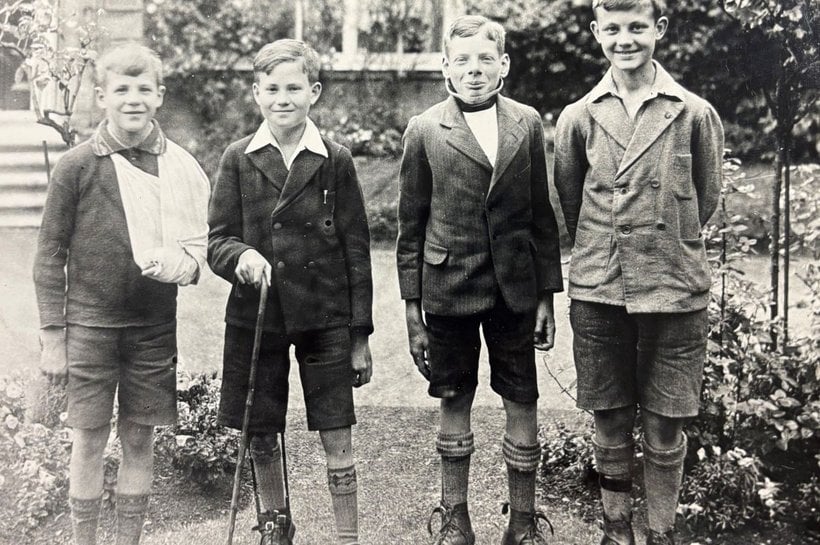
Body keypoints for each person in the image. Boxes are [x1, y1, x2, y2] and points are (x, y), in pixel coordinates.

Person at [553, 1, 724, 544]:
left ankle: (661, 530)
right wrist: (609, 248)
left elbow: (707, 196)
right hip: (601, 287)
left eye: (637, 28)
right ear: (596, 33)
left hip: (675, 286)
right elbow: (572, 198)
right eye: (613, 29)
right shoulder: (580, 115)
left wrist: (661, 243)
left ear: (659, 31)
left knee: (666, 418)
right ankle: (616, 527)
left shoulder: (693, 112)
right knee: (608, 411)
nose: (625, 39)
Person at [396, 14, 564, 545]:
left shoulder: (527, 123)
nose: (474, 70)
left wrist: (545, 296)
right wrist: (411, 312)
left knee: (522, 398)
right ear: (446, 67)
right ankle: (454, 517)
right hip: (449, 290)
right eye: (462, 60)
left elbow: (543, 216)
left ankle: (523, 521)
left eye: (485, 59)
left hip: (514, 291)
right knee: (454, 396)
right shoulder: (425, 129)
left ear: (503, 65)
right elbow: (410, 227)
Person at [33, 44, 211, 545]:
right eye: (121, 90)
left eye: (143, 89)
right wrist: (53, 337)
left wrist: (188, 264)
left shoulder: (176, 167)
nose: (133, 100)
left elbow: (197, 245)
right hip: (89, 325)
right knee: (88, 438)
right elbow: (49, 256)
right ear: (101, 96)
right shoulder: (76, 166)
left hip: (153, 326)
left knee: (139, 437)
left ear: (159, 96)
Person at [207, 39, 373, 545]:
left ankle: (347, 535)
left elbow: (357, 250)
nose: (283, 98)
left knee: (335, 425)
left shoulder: (334, 160)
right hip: (259, 315)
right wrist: (242, 256)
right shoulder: (238, 158)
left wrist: (359, 335)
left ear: (314, 92)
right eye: (272, 88)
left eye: (294, 87)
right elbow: (217, 241)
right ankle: (275, 525)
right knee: (261, 428)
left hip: (324, 316)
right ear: (256, 93)